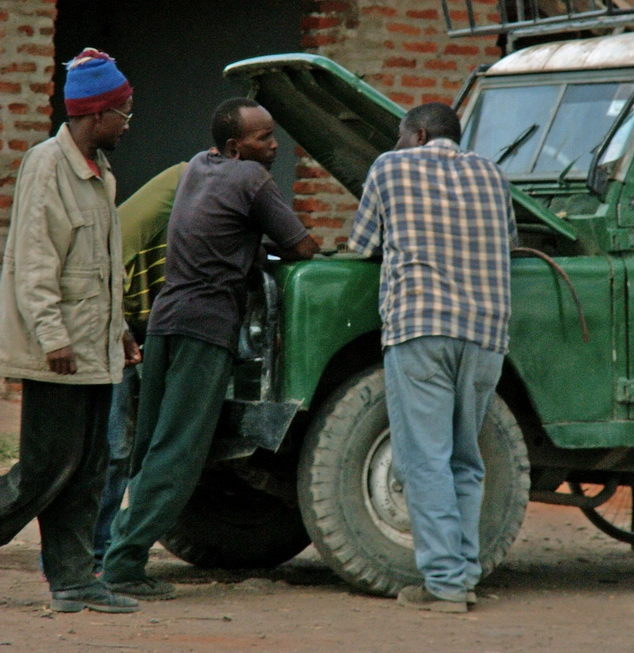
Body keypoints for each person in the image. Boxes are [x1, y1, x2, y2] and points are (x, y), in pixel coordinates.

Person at [101, 98, 320, 600]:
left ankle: (116, 547)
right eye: (263, 138)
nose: (273, 145)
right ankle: (123, 566)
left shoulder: (198, 166)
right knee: (178, 454)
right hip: (205, 328)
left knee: (151, 443)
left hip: (163, 321)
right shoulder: (251, 180)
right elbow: (300, 247)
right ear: (234, 147)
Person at [348, 102, 517, 613]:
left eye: (401, 137)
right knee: (466, 458)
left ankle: (443, 586)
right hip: (487, 333)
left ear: (418, 135)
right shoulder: (493, 174)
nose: (398, 145)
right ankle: (462, 576)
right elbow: (509, 242)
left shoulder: (389, 166)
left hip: (420, 327)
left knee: (424, 460)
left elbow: (361, 244)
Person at [0, 49, 141, 613]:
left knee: (85, 470)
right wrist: (52, 335)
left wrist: (122, 331)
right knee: (44, 469)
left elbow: (102, 269)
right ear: (96, 114)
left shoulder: (100, 174)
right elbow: (34, 260)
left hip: (95, 349)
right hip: (59, 350)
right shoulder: (46, 165)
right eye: (124, 112)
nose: (129, 123)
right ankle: (72, 577)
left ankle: (75, 580)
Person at [93, 162, 187, 573]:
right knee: (111, 449)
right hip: (110, 325)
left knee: (124, 448)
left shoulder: (183, 190)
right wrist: (119, 329)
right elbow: (106, 267)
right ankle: (93, 552)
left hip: (137, 326)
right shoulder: (186, 183)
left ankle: (106, 548)